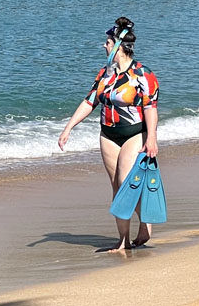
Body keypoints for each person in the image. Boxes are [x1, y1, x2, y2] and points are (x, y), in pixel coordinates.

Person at [57, 17, 159, 252]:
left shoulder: (143, 74)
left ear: (118, 46)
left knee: (125, 183)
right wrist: (68, 128)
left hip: (134, 134)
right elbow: (90, 101)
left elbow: (150, 108)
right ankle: (123, 240)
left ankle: (146, 221)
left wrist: (151, 138)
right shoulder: (105, 74)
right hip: (108, 135)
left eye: (107, 42)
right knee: (116, 187)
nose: (104, 46)